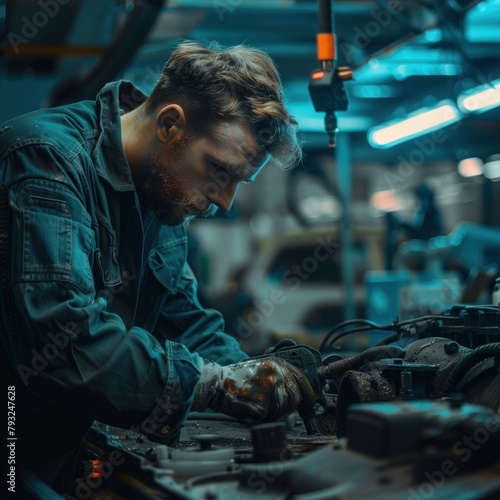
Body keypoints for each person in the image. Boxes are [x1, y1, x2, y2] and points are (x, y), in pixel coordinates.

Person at [0, 40, 310, 495]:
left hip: (57, 446)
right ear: (169, 124)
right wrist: (215, 385)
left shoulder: (160, 192)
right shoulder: (45, 161)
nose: (224, 202)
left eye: (238, 183)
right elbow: (61, 339)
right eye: (221, 171)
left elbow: (185, 322)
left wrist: (259, 379)